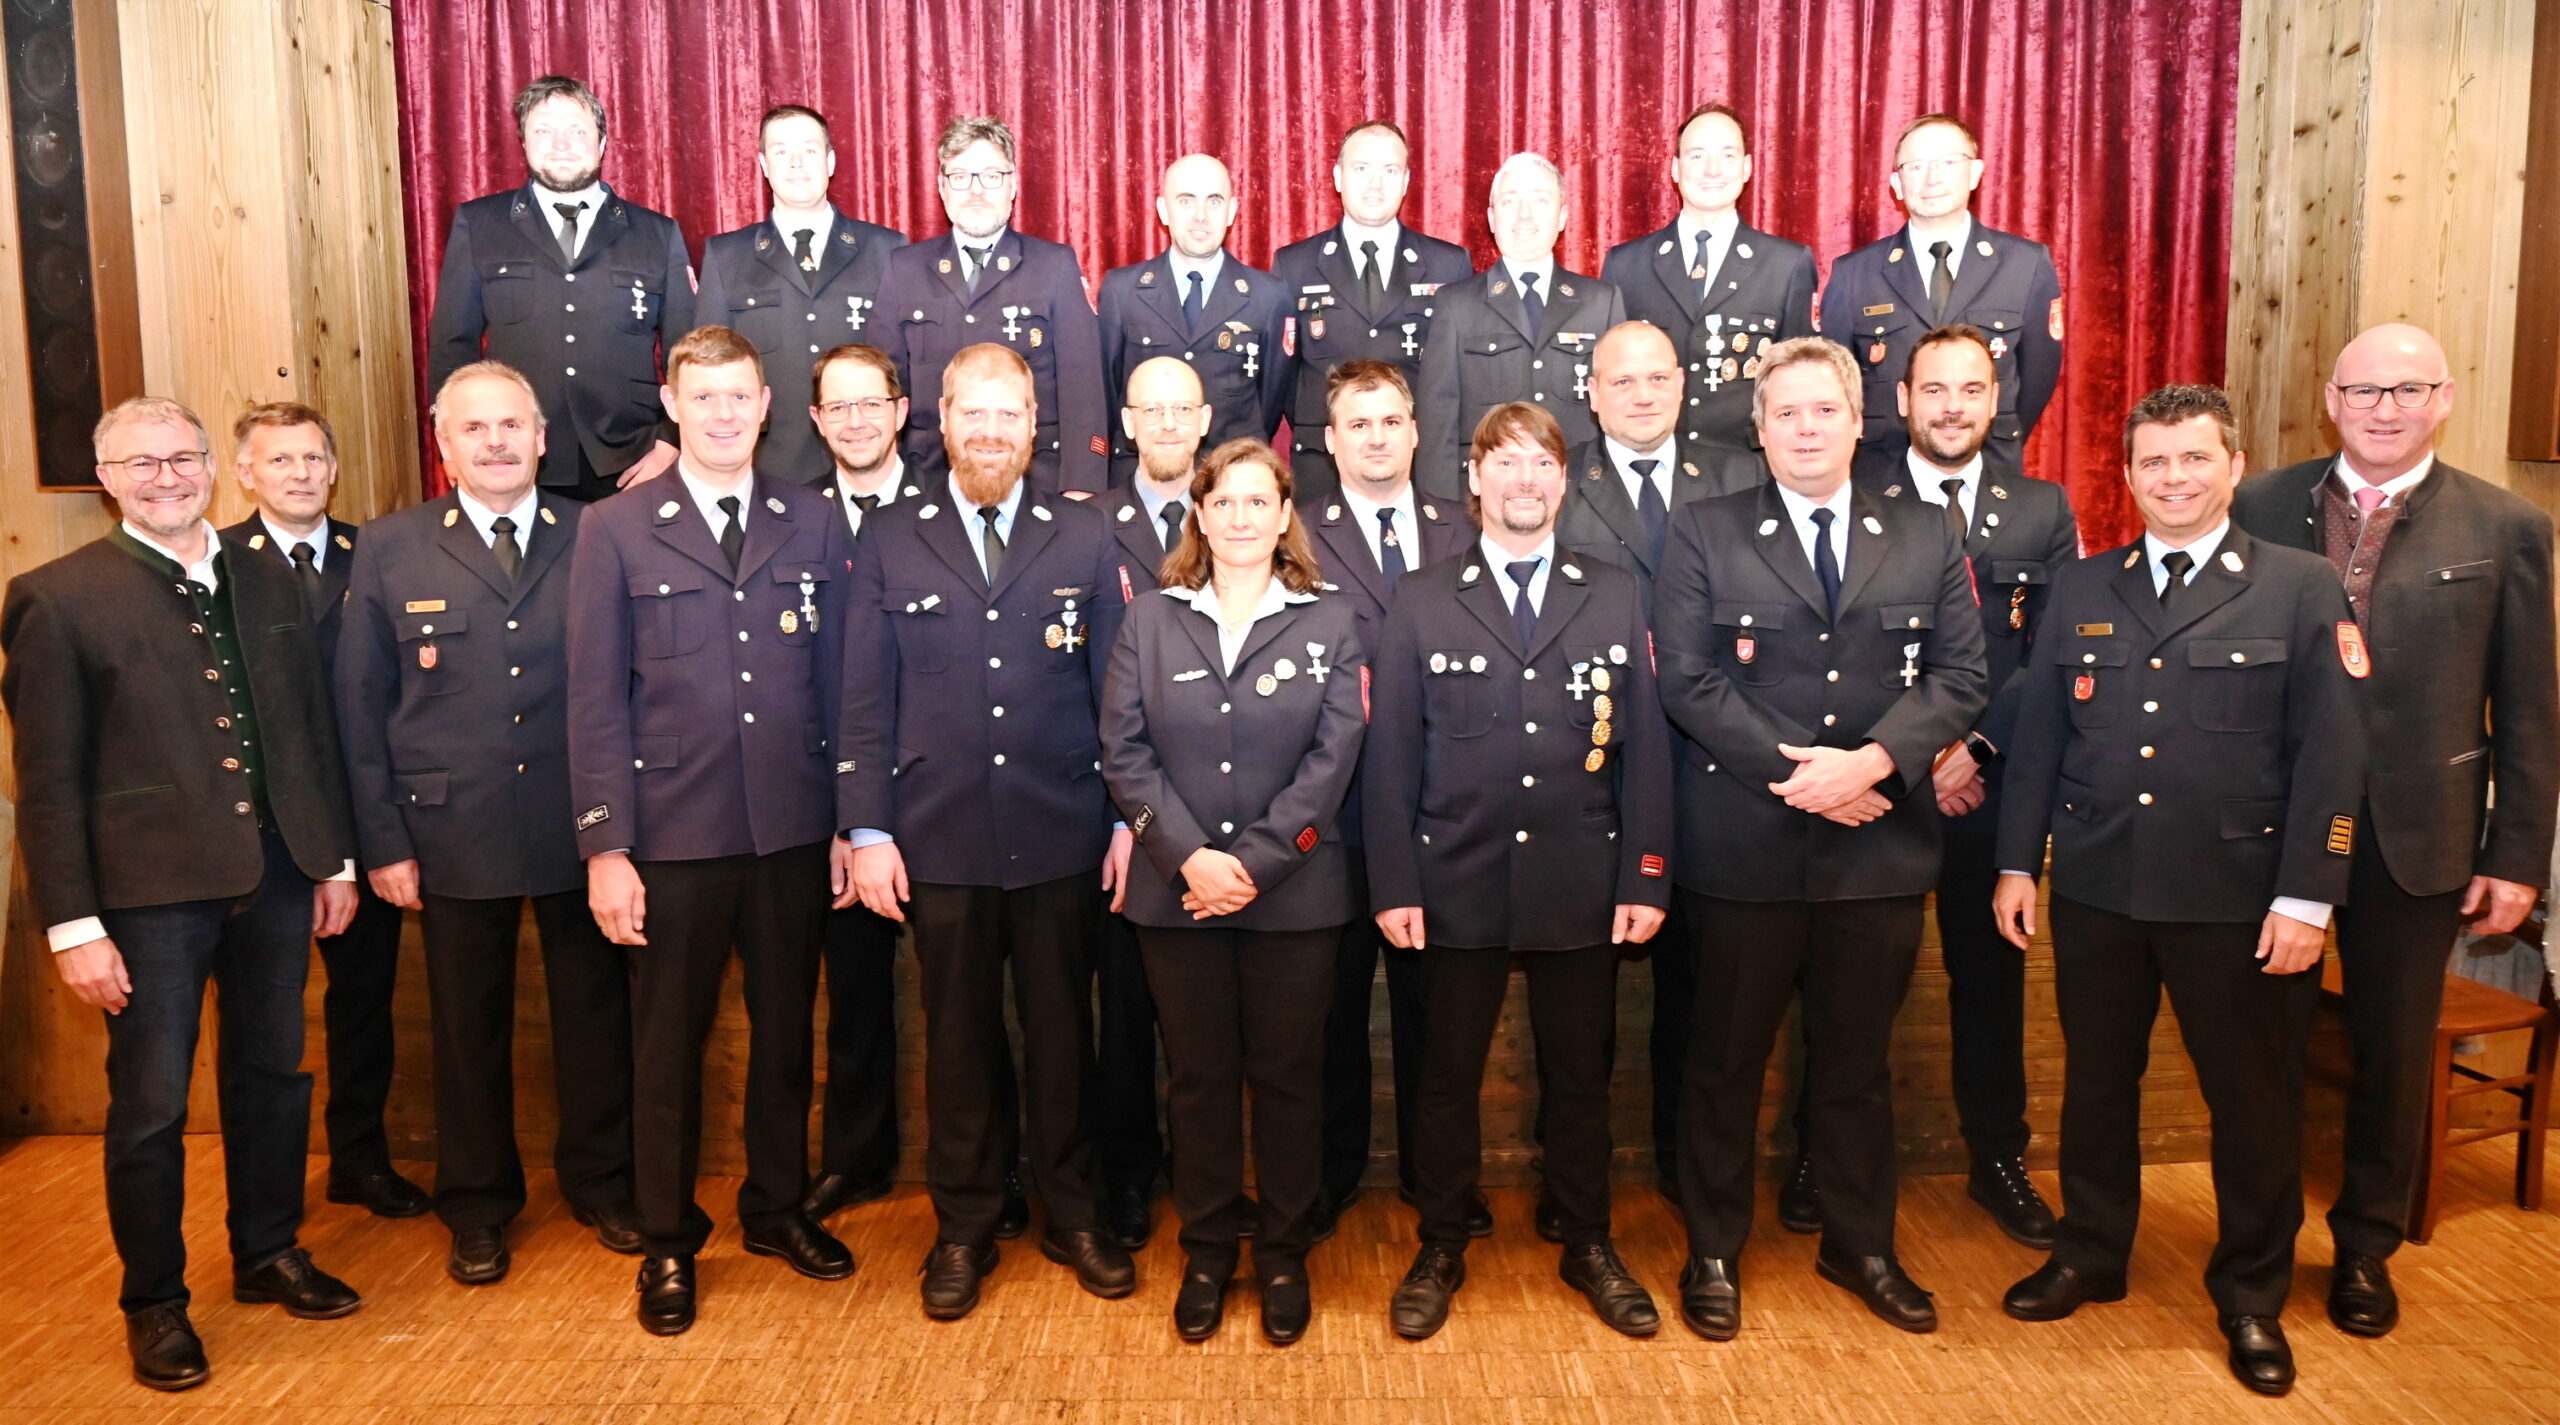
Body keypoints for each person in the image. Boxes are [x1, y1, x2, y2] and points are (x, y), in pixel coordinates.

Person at [1993, 384, 2366, 1397]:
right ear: (2127, 476)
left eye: (2194, 458)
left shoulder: (2299, 587)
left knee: (2252, 1103)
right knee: (2094, 1087)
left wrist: (2307, 898)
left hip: (2240, 901)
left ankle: (2250, 1293)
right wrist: (2017, 862)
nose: (2173, 479)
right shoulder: (2085, 586)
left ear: (2233, 466)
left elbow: (2333, 757)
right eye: (2153, 462)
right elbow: (2040, 739)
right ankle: (2090, 1252)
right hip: (2100, 886)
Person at [2, 396, 363, 1391]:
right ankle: (154, 1301)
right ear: (106, 479)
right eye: (141, 463)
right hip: (146, 899)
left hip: (278, 875)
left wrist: (331, 860)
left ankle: (268, 1249)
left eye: (181, 458)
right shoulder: (56, 598)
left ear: (211, 466)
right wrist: (74, 926)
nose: (166, 477)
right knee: (153, 1104)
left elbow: (305, 727)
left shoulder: (270, 574)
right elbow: (48, 782)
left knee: (274, 1077)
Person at [1652, 337, 1987, 1340]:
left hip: (1875, 851)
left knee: (1857, 1066)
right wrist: (1805, 779)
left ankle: (1860, 1243)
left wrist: (1871, 764)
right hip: (1744, 844)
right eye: (1785, 412)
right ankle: (1714, 1248)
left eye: (1823, 410)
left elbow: (1960, 678)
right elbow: (1687, 679)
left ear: (1857, 421)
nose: (1805, 428)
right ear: (1759, 430)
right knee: (1723, 1063)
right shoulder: (1704, 528)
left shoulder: (1925, 531)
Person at [2230, 324, 2558, 1338]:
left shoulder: (2507, 525)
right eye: (2365, 390)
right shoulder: (2257, 505)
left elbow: (2530, 706)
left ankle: (2366, 1247)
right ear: (2331, 400)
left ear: (2443, 398)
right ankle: (2258, 1244)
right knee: (2264, 1049)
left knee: (2392, 1051)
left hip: (2416, 834)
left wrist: (2516, 855)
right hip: (2271, 830)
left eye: (2407, 389)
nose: (2385, 408)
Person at [565, 325, 856, 1335]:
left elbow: (838, 682)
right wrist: (605, 847)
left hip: (789, 829)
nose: (724, 413)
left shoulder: (811, 519)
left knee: (785, 1040)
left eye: (740, 395)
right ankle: (666, 1240)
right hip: (671, 839)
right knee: (667, 1052)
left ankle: (776, 1209)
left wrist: (846, 822)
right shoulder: (615, 528)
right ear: (673, 406)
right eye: (705, 397)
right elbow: (594, 698)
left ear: (766, 406)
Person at [840, 342, 1138, 1319]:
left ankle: (1073, 1213)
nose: (991, 431)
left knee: (1063, 1037)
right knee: (959, 1045)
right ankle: (965, 1224)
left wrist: (1126, 820)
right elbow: (863, 698)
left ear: (1034, 425)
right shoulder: (891, 535)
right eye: (975, 412)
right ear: (942, 419)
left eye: (1009, 413)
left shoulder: (1082, 534)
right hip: (941, 838)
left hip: (1062, 834)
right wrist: (868, 830)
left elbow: (1115, 697)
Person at [1366, 401, 1674, 1341]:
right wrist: (1395, 883)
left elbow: (1645, 750)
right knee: (1444, 1078)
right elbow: (1391, 755)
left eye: (1541, 463)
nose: (1524, 480)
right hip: (1452, 879)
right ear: (1474, 479)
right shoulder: (1422, 597)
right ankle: (1441, 1239)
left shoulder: (1614, 591)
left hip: (1582, 879)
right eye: (1504, 462)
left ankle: (1586, 1237)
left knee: (1580, 1076)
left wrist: (1646, 876)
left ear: (1564, 480)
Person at [335, 362, 641, 1283]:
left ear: (543, 438)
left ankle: (602, 1181)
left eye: (513, 424)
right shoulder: (390, 546)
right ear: (444, 444)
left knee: (596, 1017)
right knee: (466, 1030)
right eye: (475, 427)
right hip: (449, 829)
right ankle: (476, 1203)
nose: (497, 441)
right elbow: (360, 705)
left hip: (577, 822)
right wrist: (383, 841)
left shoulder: (597, 530)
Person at [1791, 324, 2076, 1246]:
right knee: (1840, 985)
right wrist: (1909, 754)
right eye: (1935, 390)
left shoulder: (2041, 509)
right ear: (1903, 401)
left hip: (1986, 788)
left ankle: (1998, 1157)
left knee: (1988, 981)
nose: (1953, 407)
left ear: (1998, 400)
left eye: (1972, 389)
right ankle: (1819, 1151)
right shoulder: (1853, 490)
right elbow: (1835, 653)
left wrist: (1974, 748)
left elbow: (2053, 651)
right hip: (1872, 787)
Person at [1101, 438, 1368, 1344]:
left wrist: (1251, 864)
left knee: (1289, 1081)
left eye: (1260, 501)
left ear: (1285, 514)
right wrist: (1186, 858)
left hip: (1294, 897)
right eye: (1224, 502)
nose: (1242, 517)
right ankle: (1209, 1249)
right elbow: (1123, 755)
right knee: (1200, 1081)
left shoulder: (1330, 619)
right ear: (1201, 517)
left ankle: (1285, 1253)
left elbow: (1333, 761)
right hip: (1176, 898)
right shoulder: (1149, 620)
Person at [1550, 319, 1762, 1210]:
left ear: (1684, 384)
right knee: (1580, 1002)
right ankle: (1576, 1180)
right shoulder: (1558, 481)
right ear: (1591, 393)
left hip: (1722, 764)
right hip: (1593, 770)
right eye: (1620, 380)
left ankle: (1687, 1167)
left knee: (1704, 988)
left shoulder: (1743, 476)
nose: (1640, 395)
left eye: (1656, 378)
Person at [217, 403, 424, 1221]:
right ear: (245, 473)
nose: (300, 474)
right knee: (260, 1019)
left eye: (312, 458)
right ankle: (262, 1195)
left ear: (334, 469)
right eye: (280, 460)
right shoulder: (215, 562)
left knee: (364, 1003)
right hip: (258, 833)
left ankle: (358, 1159)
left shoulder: (376, 553)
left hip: (361, 816)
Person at [1295, 359, 1476, 1237]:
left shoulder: (1463, 526)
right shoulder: (1293, 530)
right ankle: (1328, 1179)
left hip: (1443, 809)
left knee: (1436, 1014)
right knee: (1329, 1012)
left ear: (1416, 432)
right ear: (1330, 441)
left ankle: (1436, 1179)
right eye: (1357, 424)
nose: (1376, 437)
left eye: (1390, 421)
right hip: (1333, 811)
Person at [1084, 354, 1218, 1249]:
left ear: (1204, 419)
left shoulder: (1235, 514)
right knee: (1126, 1013)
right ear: (1126, 423)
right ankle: (1128, 1177)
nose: (1167, 424)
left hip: (1223, 809)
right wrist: (1125, 817)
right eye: (1150, 409)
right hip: (1122, 812)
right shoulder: (1084, 525)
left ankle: (1212, 1177)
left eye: (1182, 409)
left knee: (1212, 1022)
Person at [426, 75, 692, 499]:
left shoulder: (656, 233)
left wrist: (671, 441)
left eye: (577, 130)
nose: (561, 144)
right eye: (543, 131)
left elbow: (688, 353)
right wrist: (452, 444)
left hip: (631, 459)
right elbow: (451, 346)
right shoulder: (480, 224)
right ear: (524, 143)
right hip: (513, 455)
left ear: (602, 144)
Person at [880, 115, 1107, 495]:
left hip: (1036, 481)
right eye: (960, 176)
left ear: (1012, 185)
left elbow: (1083, 389)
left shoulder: (1054, 266)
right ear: (942, 186)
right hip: (930, 482)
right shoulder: (903, 269)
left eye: (991, 176)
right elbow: (886, 390)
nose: (976, 190)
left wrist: (1081, 486)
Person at [1819, 114, 2062, 467]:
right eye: (1916, 166)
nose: (1932, 178)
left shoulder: (2026, 265)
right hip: (1884, 469)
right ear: (1896, 184)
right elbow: (1834, 383)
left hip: (1989, 463)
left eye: (1948, 162)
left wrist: (1992, 434)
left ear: (1975, 173)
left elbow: (2038, 376)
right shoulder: (1854, 274)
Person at [695, 105, 909, 485]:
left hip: (866, 462)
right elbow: (710, 372)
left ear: (830, 161)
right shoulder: (726, 256)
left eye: (810, 150)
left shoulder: (886, 249)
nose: (796, 163)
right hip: (768, 467)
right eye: (781, 151)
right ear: (764, 165)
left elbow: (903, 367)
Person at [1601, 103, 1817, 466]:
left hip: (1750, 469)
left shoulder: (1786, 264)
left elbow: (1800, 382)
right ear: (1675, 169)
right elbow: (1612, 378)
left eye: (1727, 155)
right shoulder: (1625, 265)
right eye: (1697, 155)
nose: (1712, 170)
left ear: (1747, 167)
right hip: (1654, 465)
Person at [1271, 121, 1473, 501]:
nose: (1375, 184)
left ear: (1406, 181)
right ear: (1338, 177)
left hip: (1418, 467)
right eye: (1361, 168)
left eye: (1389, 170)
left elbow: (1460, 377)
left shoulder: (1449, 265)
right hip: (1323, 466)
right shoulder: (1294, 265)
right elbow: (1280, 377)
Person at [1414, 152, 1627, 500]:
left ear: (1562, 216)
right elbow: (1438, 425)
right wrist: (1441, 516)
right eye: (1510, 201)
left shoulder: (1602, 302)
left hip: (1581, 498)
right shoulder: (1455, 305)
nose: (1524, 215)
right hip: (1485, 503)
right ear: (1492, 218)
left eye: (1540, 201)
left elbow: (1621, 414)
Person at [1097, 155, 1289, 481]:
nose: (1201, 215)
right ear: (1163, 210)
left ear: (1231, 211)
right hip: (1145, 478)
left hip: (1233, 480)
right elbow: (1109, 392)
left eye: (1214, 201)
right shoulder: (1122, 290)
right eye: (1186, 201)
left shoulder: (1268, 295)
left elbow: (1270, 401)